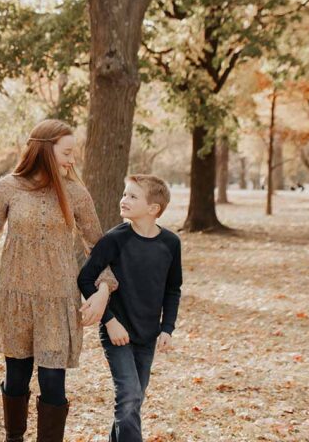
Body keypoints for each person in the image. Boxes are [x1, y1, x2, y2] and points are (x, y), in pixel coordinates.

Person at [0, 119, 116, 442]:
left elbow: (96, 245)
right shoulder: (8, 188)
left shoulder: (76, 192)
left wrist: (105, 288)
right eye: (66, 152)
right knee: (16, 378)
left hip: (58, 300)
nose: (72, 159)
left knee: (53, 382)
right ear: (44, 149)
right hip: (17, 299)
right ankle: (13, 437)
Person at [77, 175, 183, 442]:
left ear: (153, 209)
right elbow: (85, 279)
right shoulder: (114, 239)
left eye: (133, 196)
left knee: (133, 402)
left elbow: (173, 289)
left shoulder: (170, 244)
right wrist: (109, 321)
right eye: (124, 194)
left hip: (147, 334)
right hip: (117, 332)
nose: (124, 200)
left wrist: (167, 328)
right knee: (129, 397)